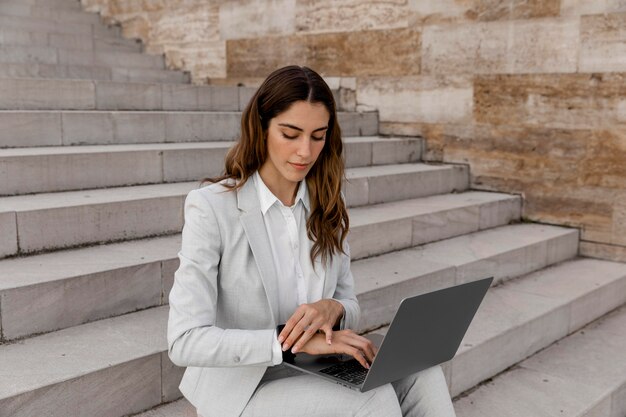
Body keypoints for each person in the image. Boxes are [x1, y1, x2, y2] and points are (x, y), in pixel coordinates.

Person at [167, 65, 457, 417]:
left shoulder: (327, 206)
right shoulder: (212, 207)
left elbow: (348, 302)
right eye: (290, 134)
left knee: (422, 372)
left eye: (317, 136)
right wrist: (287, 344)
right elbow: (184, 341)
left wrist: (333, 309)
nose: (305, 151)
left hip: (318, 368)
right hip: (244, 386)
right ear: (261, 128)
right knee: (373, 401)